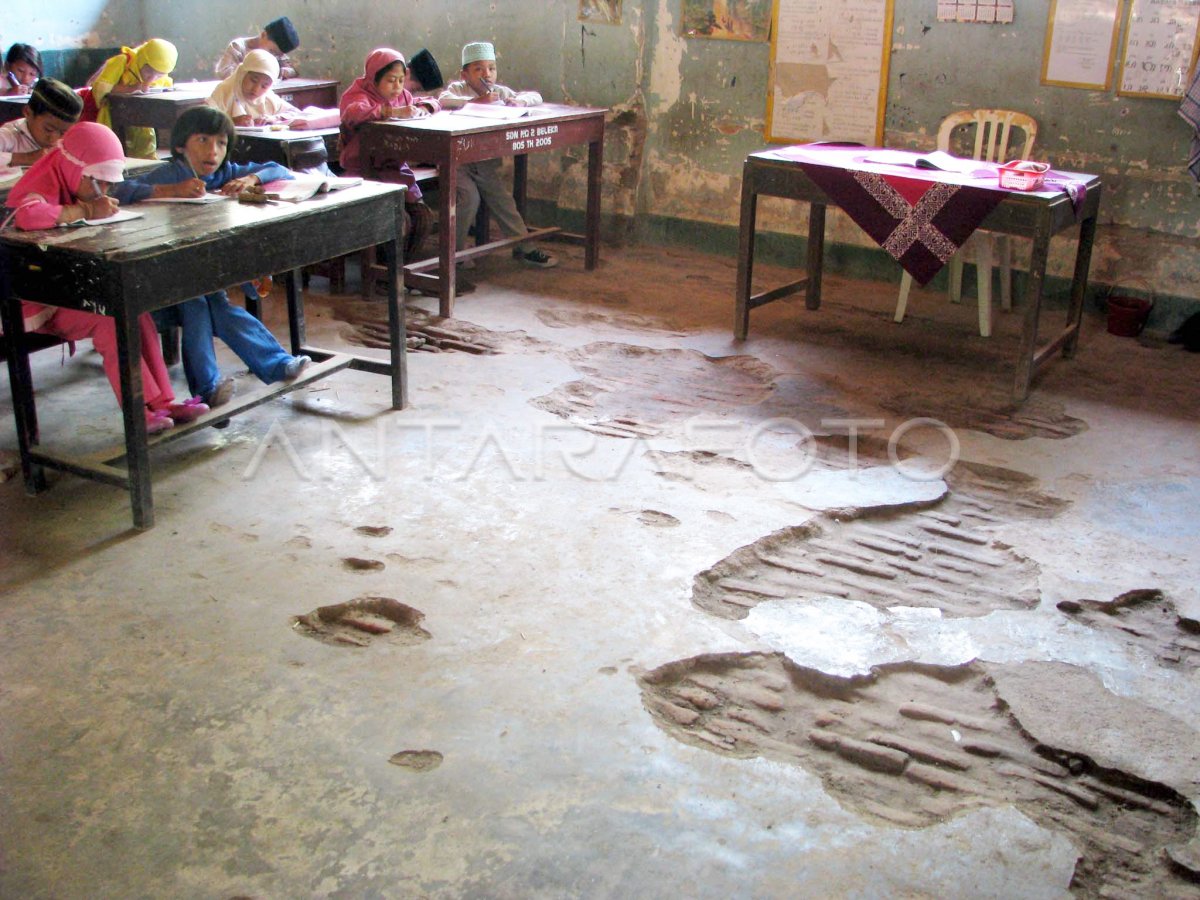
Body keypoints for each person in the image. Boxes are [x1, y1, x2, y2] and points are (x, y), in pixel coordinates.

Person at [4, 122, 207, 434]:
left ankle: (163, 401)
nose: (105, 191)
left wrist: (90, 206)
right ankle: (137, 409)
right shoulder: (40, 183)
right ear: (77, 171)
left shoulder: (68, 176)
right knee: (109, 321)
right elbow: (27, 215)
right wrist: (84, 208)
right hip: (38, 303)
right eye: (98, 183)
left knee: (137, 314)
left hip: (67, 290)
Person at [113, 107, 311, 409]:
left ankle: (263, 371)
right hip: (161, 281)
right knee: (198, 304)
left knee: (215, 305)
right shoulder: (171, 172)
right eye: (203, 140)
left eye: (221, 143)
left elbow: (277, 168)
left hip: (203, 277)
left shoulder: (224, 174)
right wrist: (169, 190)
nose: (213, 151)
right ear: (180, 145)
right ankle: (215, 385)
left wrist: (251, 178)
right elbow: (119, 190)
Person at [438, 42, 557, 269]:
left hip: (484, 165)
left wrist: (519, 101)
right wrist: (475, 102)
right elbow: (442, 101)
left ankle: (525, 248)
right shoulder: (458, 90)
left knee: (504, 202)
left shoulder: (499, 92)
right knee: (468, 199)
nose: (487, 75)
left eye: (491, 68)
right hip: (458, 164)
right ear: (465, 74)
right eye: (479, 69)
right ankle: (455, 253)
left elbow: (536, 96)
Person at [339, 48, 434, 260]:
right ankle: (385, 273)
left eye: (401, 80)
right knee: (398, 222)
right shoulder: (358, 94)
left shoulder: (403, 96)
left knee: (423, 217)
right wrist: (390, 112)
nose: (398, 87)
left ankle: (403, 270)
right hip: (364, 172)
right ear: (374, 77)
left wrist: (425, 107)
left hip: (395, 170)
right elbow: (352, 113)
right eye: (391, 81)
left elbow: (431, 102)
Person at [88, 38, 178, 159]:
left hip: (142, 120)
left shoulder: (159, 70)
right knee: (113, 152)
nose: (152, 78)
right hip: (113, 115)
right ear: (142, 59)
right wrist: (133, 88)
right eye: (148, 71)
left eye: (159, 75)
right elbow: (100, 87)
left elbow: (165, 85)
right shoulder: (123, 61)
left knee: (144, 153)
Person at [0, 78, 82, 168]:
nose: (55, 139)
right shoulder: (10, 135)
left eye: (64, 133)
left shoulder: (67, 143)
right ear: (27, 112)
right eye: (48, 129)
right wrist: (26, 158)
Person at [207, 49, 298, 126]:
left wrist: (275, 118)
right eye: (253, 80)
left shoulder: (268, 98)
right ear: (243, 73)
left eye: (264, 86)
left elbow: (295, 113)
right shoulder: (225, 91)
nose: (256, 89)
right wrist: (231, 122)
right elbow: (205, 121)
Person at [216, 17, 300, 80]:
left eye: (276, 54)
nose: (272, 55)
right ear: (263, 35)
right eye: (271, 51)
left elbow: (293, 71)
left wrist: (281, 72)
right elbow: (223, 72)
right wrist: (259, 72)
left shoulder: (277, 54)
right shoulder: (238, 47)